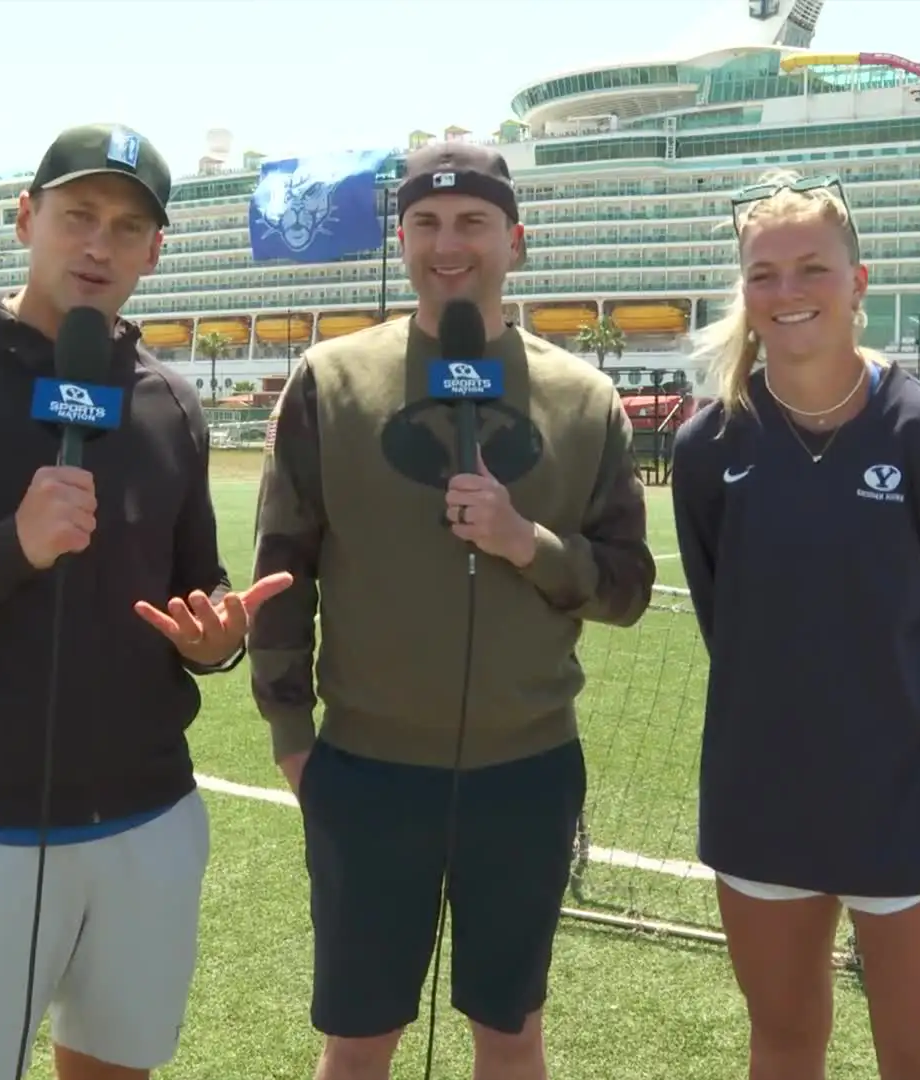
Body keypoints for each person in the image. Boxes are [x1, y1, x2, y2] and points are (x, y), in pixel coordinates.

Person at [0, 122, 291, 1080]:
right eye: (78, 215)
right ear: (27, 218)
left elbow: (199, 587)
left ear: (156, 250)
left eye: (127, 226)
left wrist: (215, 640)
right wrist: (10, 547)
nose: (99, 245)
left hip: (151, 821)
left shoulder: (168, 402)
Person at [247, 140, 656, 1080]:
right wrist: (291, 735)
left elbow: (629, 586)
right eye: (426, 223)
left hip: (526, 772)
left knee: (511, 1033)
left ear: (516, 238)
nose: (448, 244)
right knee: (359, 1039)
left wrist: (526, 542)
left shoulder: (583, 397)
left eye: (473, 222)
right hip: (367, 771)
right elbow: (282, 570)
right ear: (401, 240)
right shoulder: (330, 380)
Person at [669, 171, 920, 1080]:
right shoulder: (707, 449)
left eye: (812, 269)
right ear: (744, 291)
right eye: (764, 274)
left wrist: (906, 736)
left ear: (858, 282)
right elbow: (727, 620)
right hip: (761, 801)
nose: (787, 292)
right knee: (784, 1046)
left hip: (909, 808)